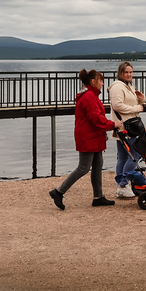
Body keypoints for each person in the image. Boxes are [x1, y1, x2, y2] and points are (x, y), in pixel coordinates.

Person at [49, 69, 117, 210]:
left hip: (94, 136)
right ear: (93, 81)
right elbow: (95, 118)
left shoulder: (91, 95)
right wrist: (112, 125)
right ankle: (58, 192)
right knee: (83, 168)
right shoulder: (89, 97)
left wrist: (107, 126)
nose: (103, 84)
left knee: (98, 165)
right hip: (88, 137)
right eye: (101, 81)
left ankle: (98, 197)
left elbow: (97, 117)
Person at [108, 61, 146, 198]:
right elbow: (118, 105)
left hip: (127, 126)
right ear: (120, 73)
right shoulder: (118, 87)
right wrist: (137, 108)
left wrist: (141, 100)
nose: (129, 74)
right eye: (126, 72)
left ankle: (121, 187)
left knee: (123, 157)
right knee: (135, 155)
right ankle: (123, 184)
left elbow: (130, 103)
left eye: (130, 72)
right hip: (125, 127)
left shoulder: (127, 85)